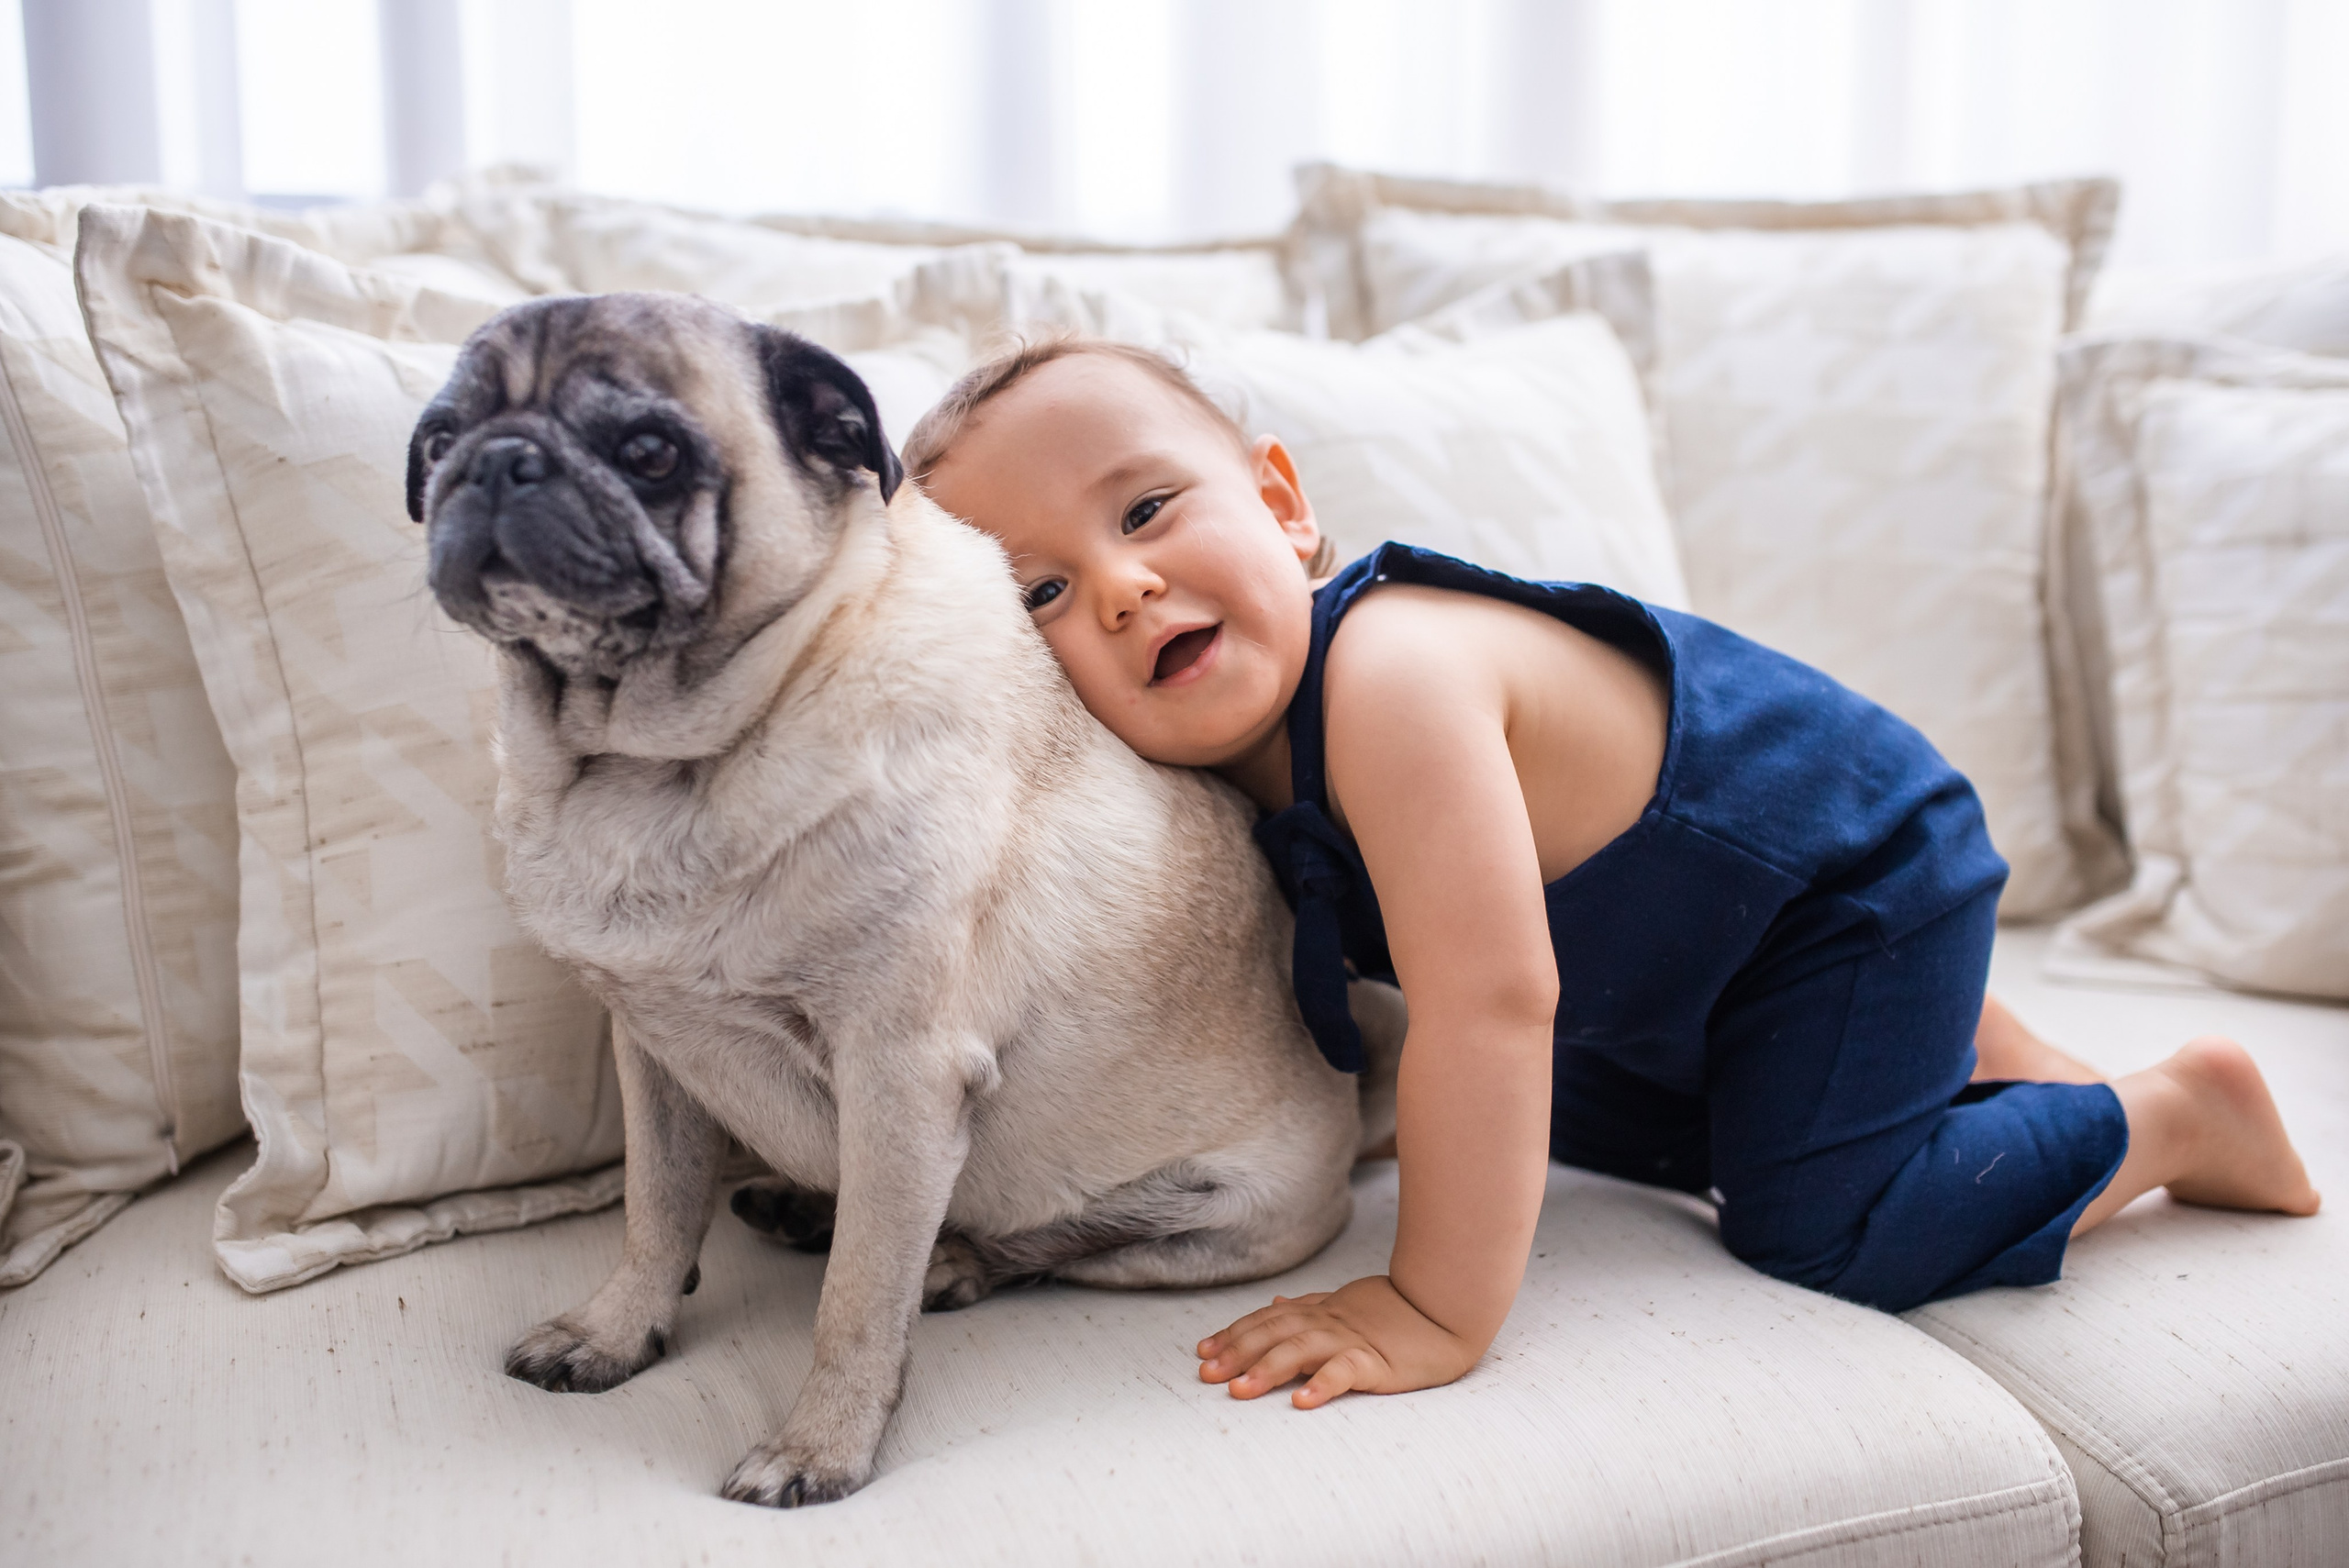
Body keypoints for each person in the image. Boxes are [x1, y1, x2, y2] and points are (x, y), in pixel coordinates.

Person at [903, 334, 2321, 1412]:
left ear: (1283, 504)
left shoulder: (1394, 674)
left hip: (1850, 880)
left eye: (1146, 508)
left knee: (1818, 1226)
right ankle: (1979, 1054)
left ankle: (2177, 1113)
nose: (1119, 587)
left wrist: (1434, 1304)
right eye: (1040, 591)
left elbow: (1492, 1004)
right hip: (1691, 962)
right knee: (1573, 1121)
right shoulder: (1204, 774)